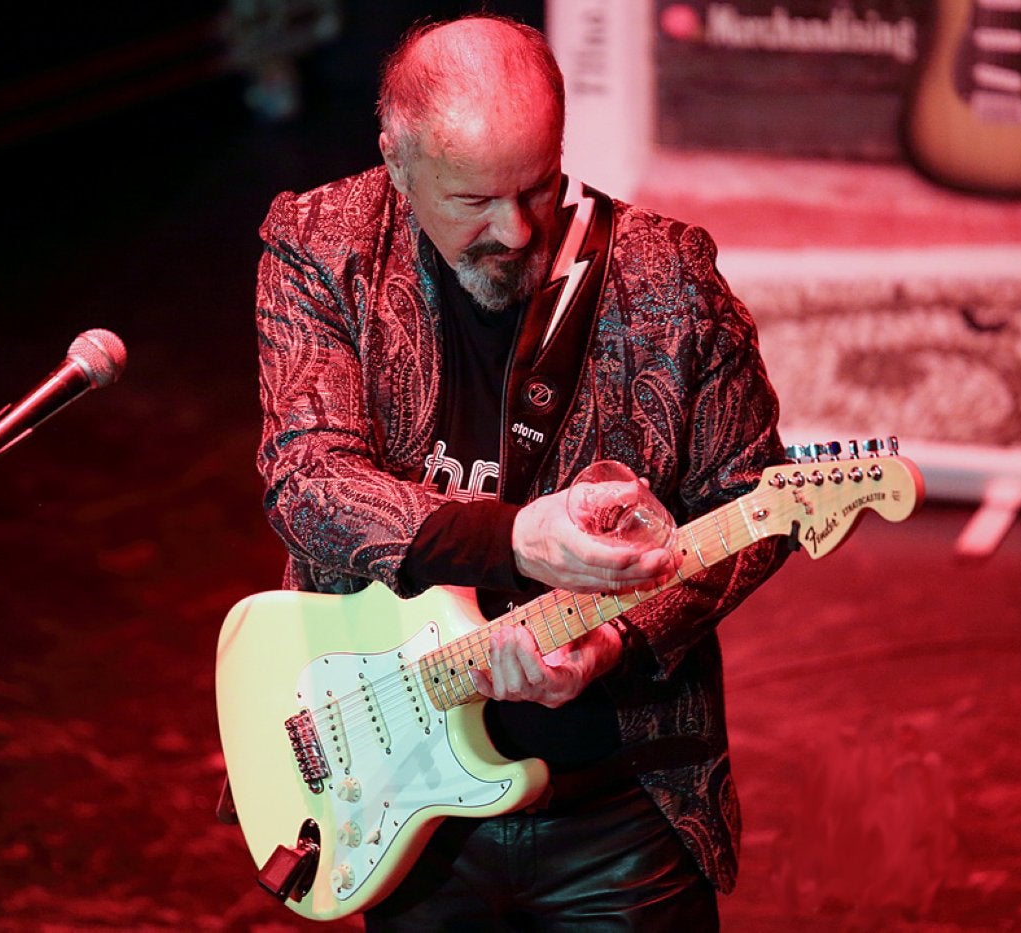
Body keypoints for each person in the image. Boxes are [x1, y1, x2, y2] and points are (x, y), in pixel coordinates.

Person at [253, 14, 788, 930]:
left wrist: (616, 639)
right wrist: (519, 539)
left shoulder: (667, 276)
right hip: (404, 802)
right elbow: (307, 479)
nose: (517, 229)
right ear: (396, 160)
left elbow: (752, 498)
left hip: (618, 806)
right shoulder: (321, 244)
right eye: (474, 201)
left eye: (539, 186)